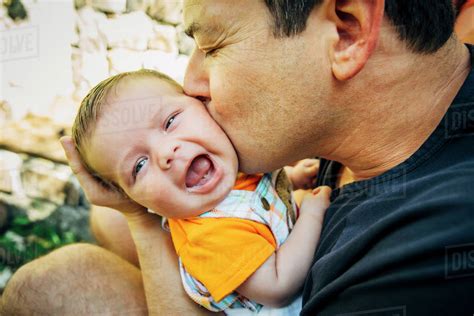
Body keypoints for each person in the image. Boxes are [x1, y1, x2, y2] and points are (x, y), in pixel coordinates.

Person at [2, 0, 474, 315]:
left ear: (347, 31)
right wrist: (136, 214)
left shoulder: (427, 257)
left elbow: (277, 286)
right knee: (107, 226)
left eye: (212, 46)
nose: (191, 84)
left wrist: (143, 221)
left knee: (49, 286)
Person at [71, 68, 329, 314]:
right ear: (134, 200)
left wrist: (290, 180)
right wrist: (312, 212)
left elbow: (258, 196)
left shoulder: (238, 165)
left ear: (202, 103)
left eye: (170, 121)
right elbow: (278, 286)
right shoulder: (208, 236)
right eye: (139, 165)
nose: (165, 153)